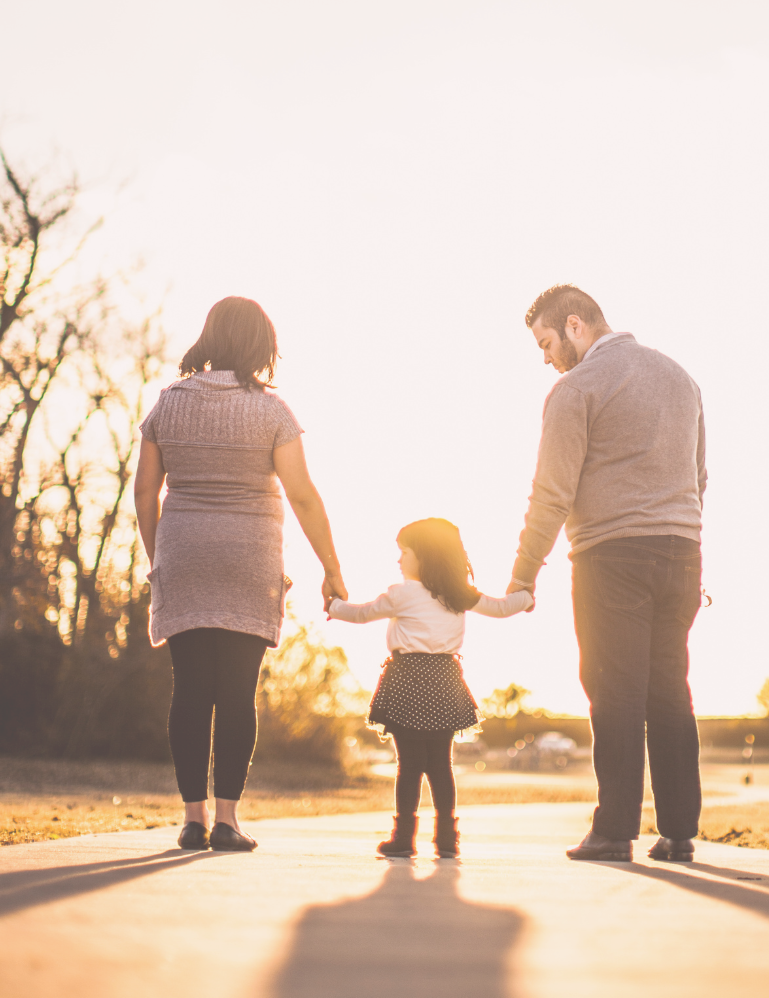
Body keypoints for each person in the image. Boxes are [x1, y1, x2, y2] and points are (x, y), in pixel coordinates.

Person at [134, 297, 347, 853]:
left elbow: (144, 491)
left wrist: (161, 559)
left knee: (190, 691)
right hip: (249, 561)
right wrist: (331, 566)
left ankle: (191, 819)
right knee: (236, 693)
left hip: (183, 555)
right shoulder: (273, 412)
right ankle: (227, 820)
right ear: (260, 345)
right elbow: (301, 495)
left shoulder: (167, 403)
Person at [506, 284, 707, 863]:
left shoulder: (577, 388)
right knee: (670, 690)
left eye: (546, 343)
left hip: (611, 556)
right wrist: (682, 535)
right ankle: (678, 833)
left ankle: (614, 831)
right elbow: (699, 476)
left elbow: (552, 494)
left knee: (614, 693)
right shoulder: (681, 378)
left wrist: (523, 576)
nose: (545, 358)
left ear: (575, 325)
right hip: (682, 553)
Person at [328, 518, 532, 858]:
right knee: (441, 764)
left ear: (423, 555)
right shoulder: (457, 593)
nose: (398, 560)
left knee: (408, 765)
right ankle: (447, 838)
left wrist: (333, 606)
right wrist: (525, 597)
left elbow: (362, 614)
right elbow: (500, 608)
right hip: (444, 681)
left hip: (407, 680)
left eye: (403, 552)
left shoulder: (403, 593)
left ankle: (404, 838)